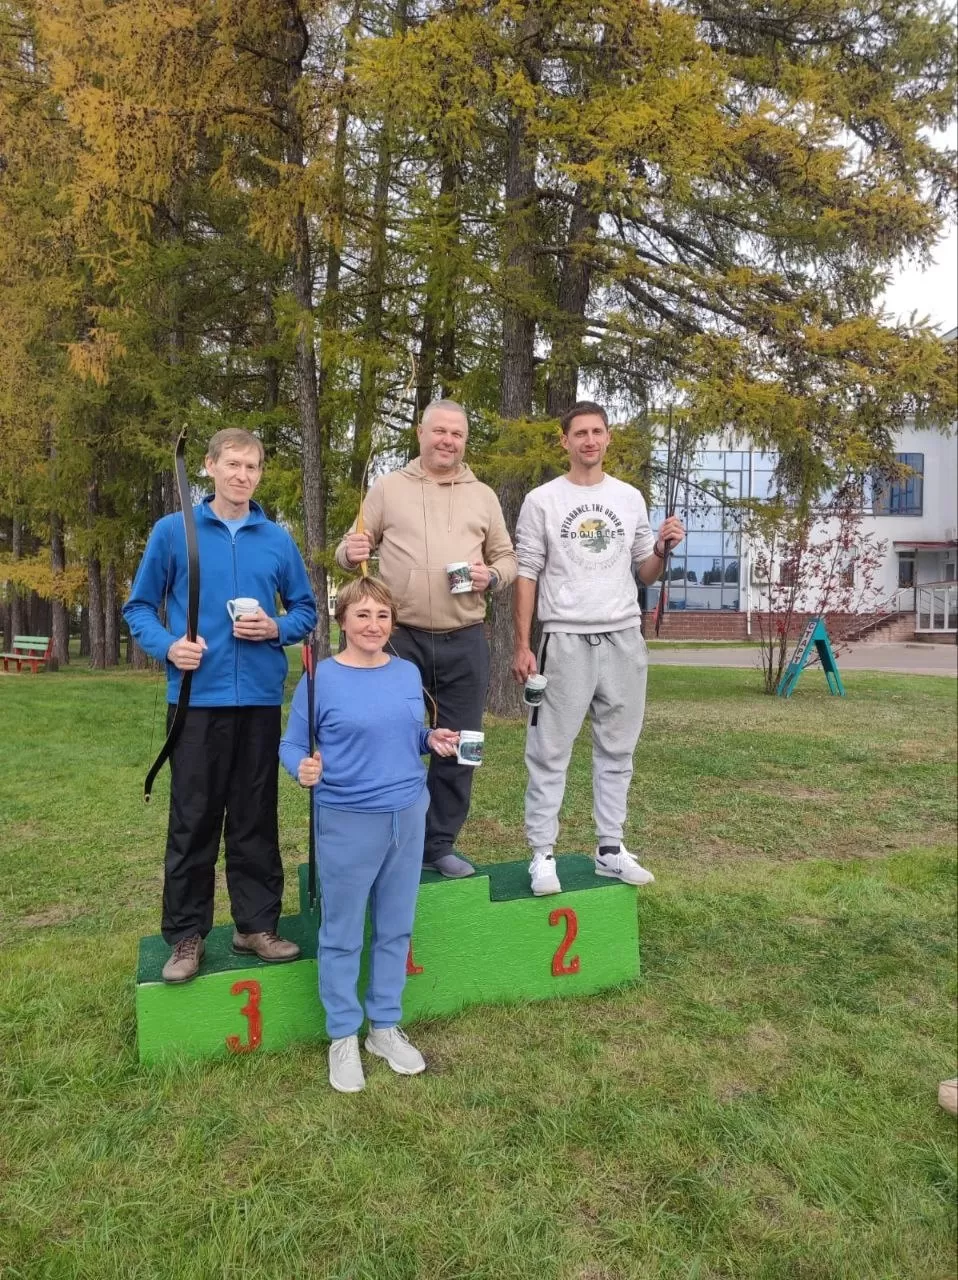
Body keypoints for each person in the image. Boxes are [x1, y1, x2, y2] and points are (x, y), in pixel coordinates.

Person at [123, 428, 317, 982]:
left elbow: (305, 610)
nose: (242, 475)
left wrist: (276, 627)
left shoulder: (276, 539)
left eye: (252, 466)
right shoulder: (174, 531)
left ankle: (255, 925)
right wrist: (169, 647)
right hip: (196, 699)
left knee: (255, 816)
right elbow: (138, 608)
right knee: (194, 819)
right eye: (232, 464)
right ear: (209, 466)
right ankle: (186, 936)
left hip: (258, 699)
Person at [280, 576, 459, 1093]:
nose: (373, 625)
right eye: (362, 615)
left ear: (393, 623)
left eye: (382, 615)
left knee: (395, 927)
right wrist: (301, 769)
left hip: (408, 813)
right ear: (342, 621)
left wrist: (430, 738)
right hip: (346, 819)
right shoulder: (320, 680)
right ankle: (342, 1035)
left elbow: (406, 733)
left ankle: (384, 1027)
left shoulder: (406, 673)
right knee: (341, 933)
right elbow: (291, 745)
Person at [334, 400, 517, 878]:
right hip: (401, 639)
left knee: (465, 742)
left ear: (464, 441)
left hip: (466, 636)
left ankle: (438, 845)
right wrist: (349, 550)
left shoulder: (483, 496)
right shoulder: (388, 488)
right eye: (439, 431)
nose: (447, 441)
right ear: (420, 433)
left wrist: (493, 576)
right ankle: (388, 836)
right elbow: (349, 548)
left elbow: (508, 559)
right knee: (392, 737)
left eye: (457, 434)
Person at [511, 401, 685, 896]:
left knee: (618, 749)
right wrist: (522, 643)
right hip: (564, 639)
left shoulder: (629, 498)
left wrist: (662, 549)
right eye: (580, 433)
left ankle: (610, 848)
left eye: (597, 432)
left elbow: (645, 572)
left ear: (608, 438)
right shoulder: (542, 500)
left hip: (624, 637)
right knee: (549, 751)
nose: (589, 440)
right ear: (564, 441)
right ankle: (542, 853)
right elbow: (526, 573)